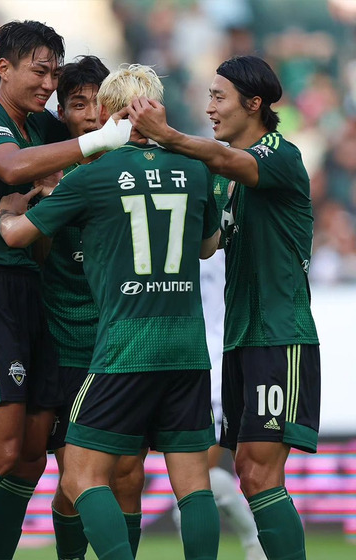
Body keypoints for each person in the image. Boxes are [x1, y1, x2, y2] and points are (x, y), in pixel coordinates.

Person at [0, 63, 221, 560]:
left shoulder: (92, 176)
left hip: (125, 347)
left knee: (79, 478)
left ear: (106, 112)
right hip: (188, 345)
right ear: (157, 105)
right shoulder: (198, 170)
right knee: (193, 485)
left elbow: (17, 237)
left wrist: (9, 209)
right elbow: (208, 247)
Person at [0, 20, 132, 560]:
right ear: (3, 68)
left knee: (29, 459)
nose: (47, 84)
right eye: (38, 71)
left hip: (33, 296)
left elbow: (71, 156)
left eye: (52, 74)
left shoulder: (43, 126)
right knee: (0, 451)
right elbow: (14, 167)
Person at [125, 55, 320, 560]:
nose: (209, 107)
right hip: (238, 339)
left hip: (281, 335)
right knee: (241, 473)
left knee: (258, 472)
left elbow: (230, 161)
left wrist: (167, 136)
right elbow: (207, 244)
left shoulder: (279, 154)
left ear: (253, 104)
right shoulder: (219, 173)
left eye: (219, 97)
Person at [42, 55, 145, 560]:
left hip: (123, 348)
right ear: (61, 113)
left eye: (96, 105)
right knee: (73, 481)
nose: (88, 115)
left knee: (128, 475)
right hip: (66, 349)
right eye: (76, 105)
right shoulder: (47, 171)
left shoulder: (138, 173)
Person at [173, 176, 266, 560]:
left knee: (196, 482)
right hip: (175, 358)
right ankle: (252, 540)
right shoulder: (184, 231)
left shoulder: (230, 235)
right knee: (196, 482)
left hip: (210, 361)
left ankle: (253, 540)